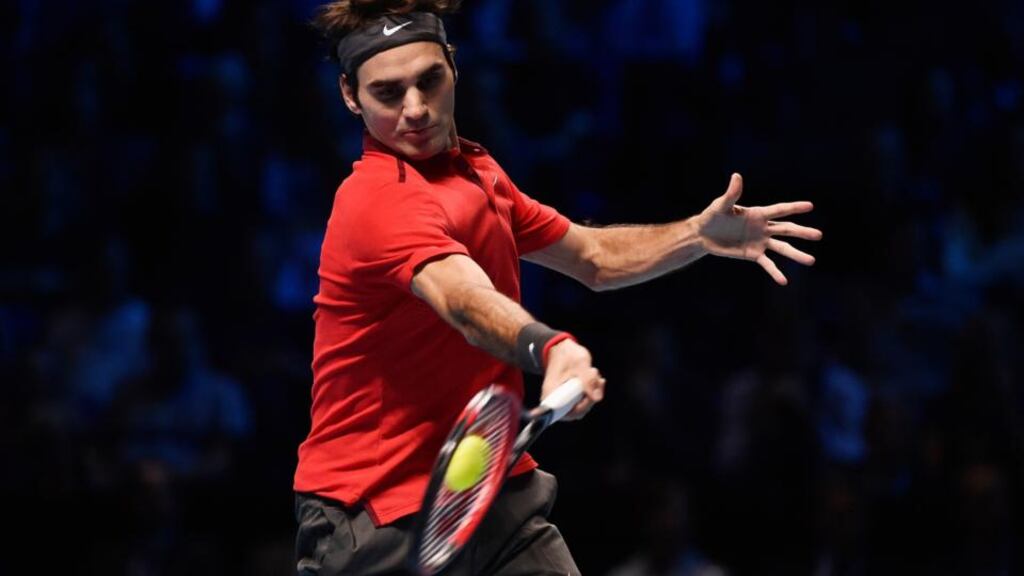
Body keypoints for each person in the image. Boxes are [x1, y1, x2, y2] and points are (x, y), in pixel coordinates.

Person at [294, 1, 823, 574]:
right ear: (351, 96)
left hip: (492, 486)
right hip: (375, 516)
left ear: (454, 64)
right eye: (388, 94)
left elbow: (591, 256)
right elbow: (463, 300)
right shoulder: (375, 202)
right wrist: (550, 348)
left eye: (430, 80)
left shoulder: (478, 173)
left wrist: (697, 234)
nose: (416, 109)